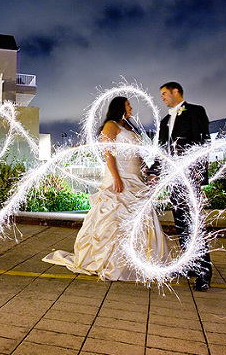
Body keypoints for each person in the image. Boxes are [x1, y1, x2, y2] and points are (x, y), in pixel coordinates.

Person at [42, 96, 171, 281]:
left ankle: (142, 258)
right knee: (115, 218)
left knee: (140, 216)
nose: (131, 107)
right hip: (120, 175)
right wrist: (117, 178)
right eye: (128, 105)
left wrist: (147, 172)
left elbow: (138, 155)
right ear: (119, 107)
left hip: (136, 177)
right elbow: (108, 154)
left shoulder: (130, 127)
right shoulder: (110, 125)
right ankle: (113, 262)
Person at [156, 82, 213, 291]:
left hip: (189, 178)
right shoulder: (164, 121)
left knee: (194, 225)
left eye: (164, 94)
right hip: (173, 179)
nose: (162, 97)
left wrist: (197, 172)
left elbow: (204, 143)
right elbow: (162, 151)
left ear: (175, 92)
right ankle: (190, 263)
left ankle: (204, 272)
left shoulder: (195, 111)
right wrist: (154, 171)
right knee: (181, 224)